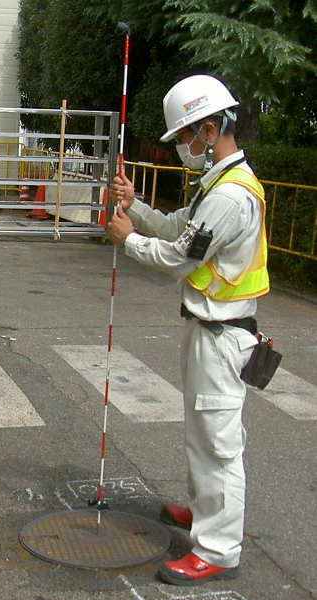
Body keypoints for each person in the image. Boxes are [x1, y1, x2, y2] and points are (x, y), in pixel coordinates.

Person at [106, 74, 269, 585]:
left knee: (219, 443)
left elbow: (180, 258)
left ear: (209, 128)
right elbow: (181, 228)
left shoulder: (231, 196)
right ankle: (204, 512)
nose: (180, 147)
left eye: (182, 137)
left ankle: (218, 552)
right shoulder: (217, 184)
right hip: (209, 331)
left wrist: (129, 239)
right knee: (203, 436)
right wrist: (138, 206)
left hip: (223, 336)